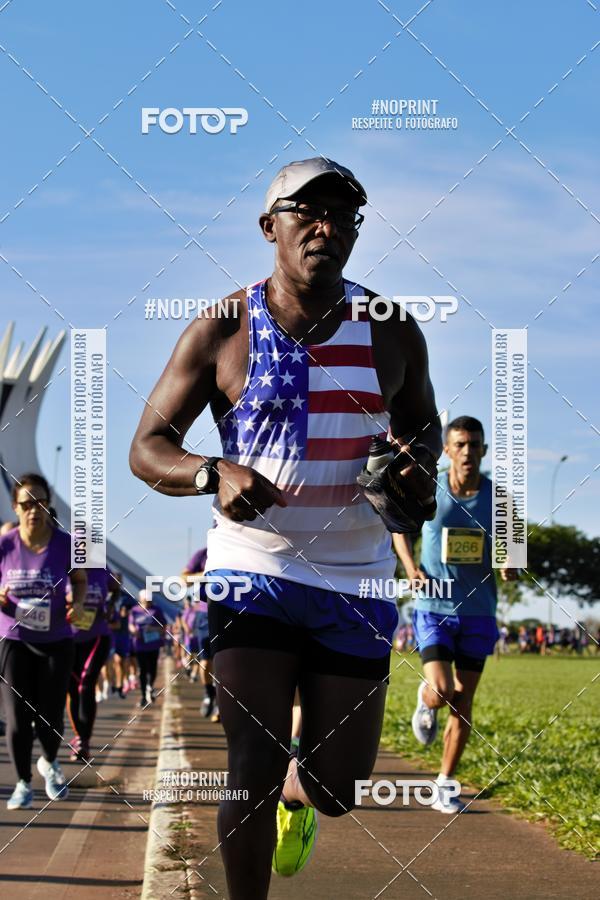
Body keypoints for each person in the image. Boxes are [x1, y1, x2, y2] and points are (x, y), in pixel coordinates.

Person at [130, 156, 440, 898]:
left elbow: (424, 431)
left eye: (342, 217)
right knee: (251, 762)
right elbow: (148, 448)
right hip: (252, 569)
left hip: (356, 578)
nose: (324, 228)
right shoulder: (223, 327)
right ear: (270, 226)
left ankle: (300, 793)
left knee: (339, 787)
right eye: (307, 213)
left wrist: (411, 470)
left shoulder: (391, 329)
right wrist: (211, 473)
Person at [394, 416, 518, 814]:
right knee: (443, 691)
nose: (467, 452)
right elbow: (399, 526)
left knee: (463, 701)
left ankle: (445, 783)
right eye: (460, 445)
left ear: (484, 450)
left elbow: (514, 550)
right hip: (435, 607)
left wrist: (510, 565)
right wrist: (410, 567)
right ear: (447, 450)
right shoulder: (430, 488)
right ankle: (425, 698)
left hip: (479, 612)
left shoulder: (501, 500)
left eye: (474, 445)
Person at [0, 473, 87, 809]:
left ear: (48, 505)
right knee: (17, 718)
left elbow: (80, 580)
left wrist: (78, 603)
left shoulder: (66, 543)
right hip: (14, 638)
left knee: (50, 714)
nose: (34, 510)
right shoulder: (5, 545)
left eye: (40, 503)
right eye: (26, 504)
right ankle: (23, 783)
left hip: (56, 640)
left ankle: (50, 762)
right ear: (15, 507)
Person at [66, 568, 115, 761]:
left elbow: (116, 587)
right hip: (67, 637)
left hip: (97, 636)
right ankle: (79, 736)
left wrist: (110, 608)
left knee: (86, 684)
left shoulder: (102, 569)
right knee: (72, 689)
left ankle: (84, 741)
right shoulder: (63, 564)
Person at [182, 547, 218, 719]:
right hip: (205, 613)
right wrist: (206, 574)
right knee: (206, 661)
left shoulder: (241, 547)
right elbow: (184, 578)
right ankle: (209, 693)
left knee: (225, 659)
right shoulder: (203, 554)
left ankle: (221, 702)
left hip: (234, 611)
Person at [129, 589, 167, 706]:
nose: (147, 603)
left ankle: (150, 686)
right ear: (140, 600)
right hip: (139, 644)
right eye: (145, 601)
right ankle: (143, 696)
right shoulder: (134, 611)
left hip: (153, 644)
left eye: (149, 601)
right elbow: (130, 625)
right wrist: (134, 631)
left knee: (152, 668)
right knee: (142, 670)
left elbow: (164, 627)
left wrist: (153, 629)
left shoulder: (156, 610)